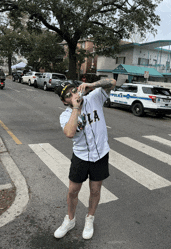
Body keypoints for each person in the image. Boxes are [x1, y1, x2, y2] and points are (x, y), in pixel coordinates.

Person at [54, 78, 116, 240]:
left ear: (79, 89)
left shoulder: (94, 98)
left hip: (100, 155)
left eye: (74, 90)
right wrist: (76, 107)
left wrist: (91, 85)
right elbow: (69, 133)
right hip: (80, 157)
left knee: (95, 190)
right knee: (73, 191)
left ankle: (90, 218)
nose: (73, 94)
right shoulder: (66, 115)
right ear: (64, 101)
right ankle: (70, 220)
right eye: (68, 95)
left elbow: (112, 82)